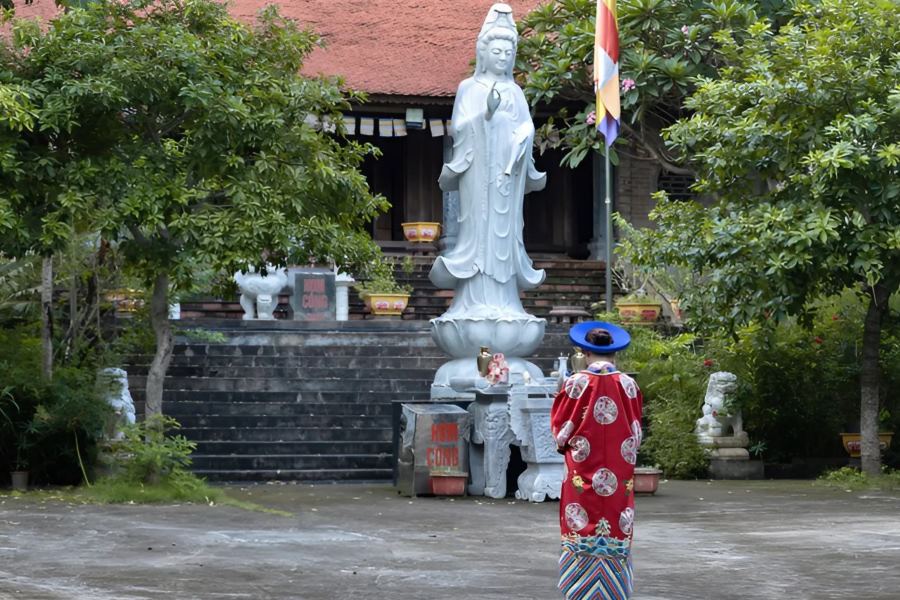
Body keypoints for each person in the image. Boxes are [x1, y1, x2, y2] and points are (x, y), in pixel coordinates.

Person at [428, 3, 546, 319]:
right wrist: (487, 114)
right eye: (497, 51)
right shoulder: (469, 88)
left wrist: (522, 134)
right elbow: (460, 128)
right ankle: (473, 301)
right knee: (479, 232)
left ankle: (506, 302)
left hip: (506, 181)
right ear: (484, 53)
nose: (503, 57)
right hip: (479, 178)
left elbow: (526, 127)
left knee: (505, 235)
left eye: (508, 52)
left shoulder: (516, 92)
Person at [550, 321, 644, 600]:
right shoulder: (629, 384)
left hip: (582, 467)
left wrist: (568, 444)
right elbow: (636, 431)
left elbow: (561, 430)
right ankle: (614, 589)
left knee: (580, 521)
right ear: (615, 353)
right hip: (618, 468)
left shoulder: (576, 383)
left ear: (585, 352)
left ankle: (579, 588)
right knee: (616, 521)